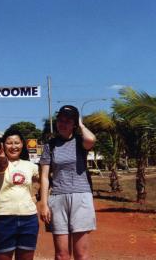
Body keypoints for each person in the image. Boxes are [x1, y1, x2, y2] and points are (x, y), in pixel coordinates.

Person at [39, 105, 97, 260]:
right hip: (58, 198)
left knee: (81, 254)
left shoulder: (80, 142)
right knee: (61, 255)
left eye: (67, 121)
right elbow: (44, 177)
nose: (62, 124)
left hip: (81, 197)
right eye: (60, 120)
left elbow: (91, 139)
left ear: (74, 124)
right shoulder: (50, 145)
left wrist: (82, 125)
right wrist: (44, 203)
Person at [0, 128, 40, 260]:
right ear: (3, 145)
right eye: (9, 143)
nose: (13, 146)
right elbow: (2, 166)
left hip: (29, 219)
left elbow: (44, 179)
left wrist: (37, 195)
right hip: (3, 219)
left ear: (22, 145)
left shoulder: (31, 166)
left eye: (16, 143)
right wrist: (2, 159)